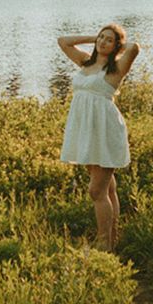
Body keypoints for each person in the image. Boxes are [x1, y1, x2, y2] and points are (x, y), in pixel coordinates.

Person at [58, 24, 140, 251]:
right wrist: (94, 37)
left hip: (106, 131)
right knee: (108, 189)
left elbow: (134, 48)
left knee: (96, 191)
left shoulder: (116, 69)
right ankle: (113, 238)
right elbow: (63, 41)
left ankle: (104, 243)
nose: (103, 42)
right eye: (101, 37)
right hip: (86, 131)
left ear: (116, 46)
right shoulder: (86, 62)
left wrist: (119, 46)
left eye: (109, 40)